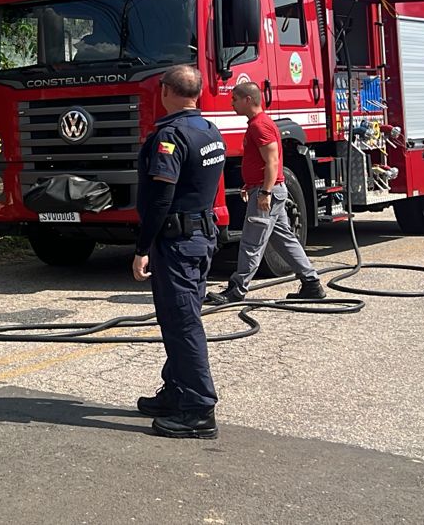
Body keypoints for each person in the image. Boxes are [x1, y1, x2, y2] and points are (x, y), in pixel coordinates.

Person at [133, 65, 225, 440]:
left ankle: (199, 410)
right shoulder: (209, 131)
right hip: (201, 238)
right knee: (178, 318)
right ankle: (176, 392)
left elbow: (160, 198)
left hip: (177, 242)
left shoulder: (171, 137)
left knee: (183, 323)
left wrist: (142, 248)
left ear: (167, 91)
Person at [205, 82, 326, 305]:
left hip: (268, 192)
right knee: (285, 239)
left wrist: (264, 192)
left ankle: (236, 290)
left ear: (248, 100)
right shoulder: (258, 124)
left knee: (252, 242)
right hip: (266, 189)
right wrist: (250, 184)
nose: (232, 104)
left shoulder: (260, 126)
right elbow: (264, 162)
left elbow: (272, 162)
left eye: (235, 99)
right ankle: (311, 283)